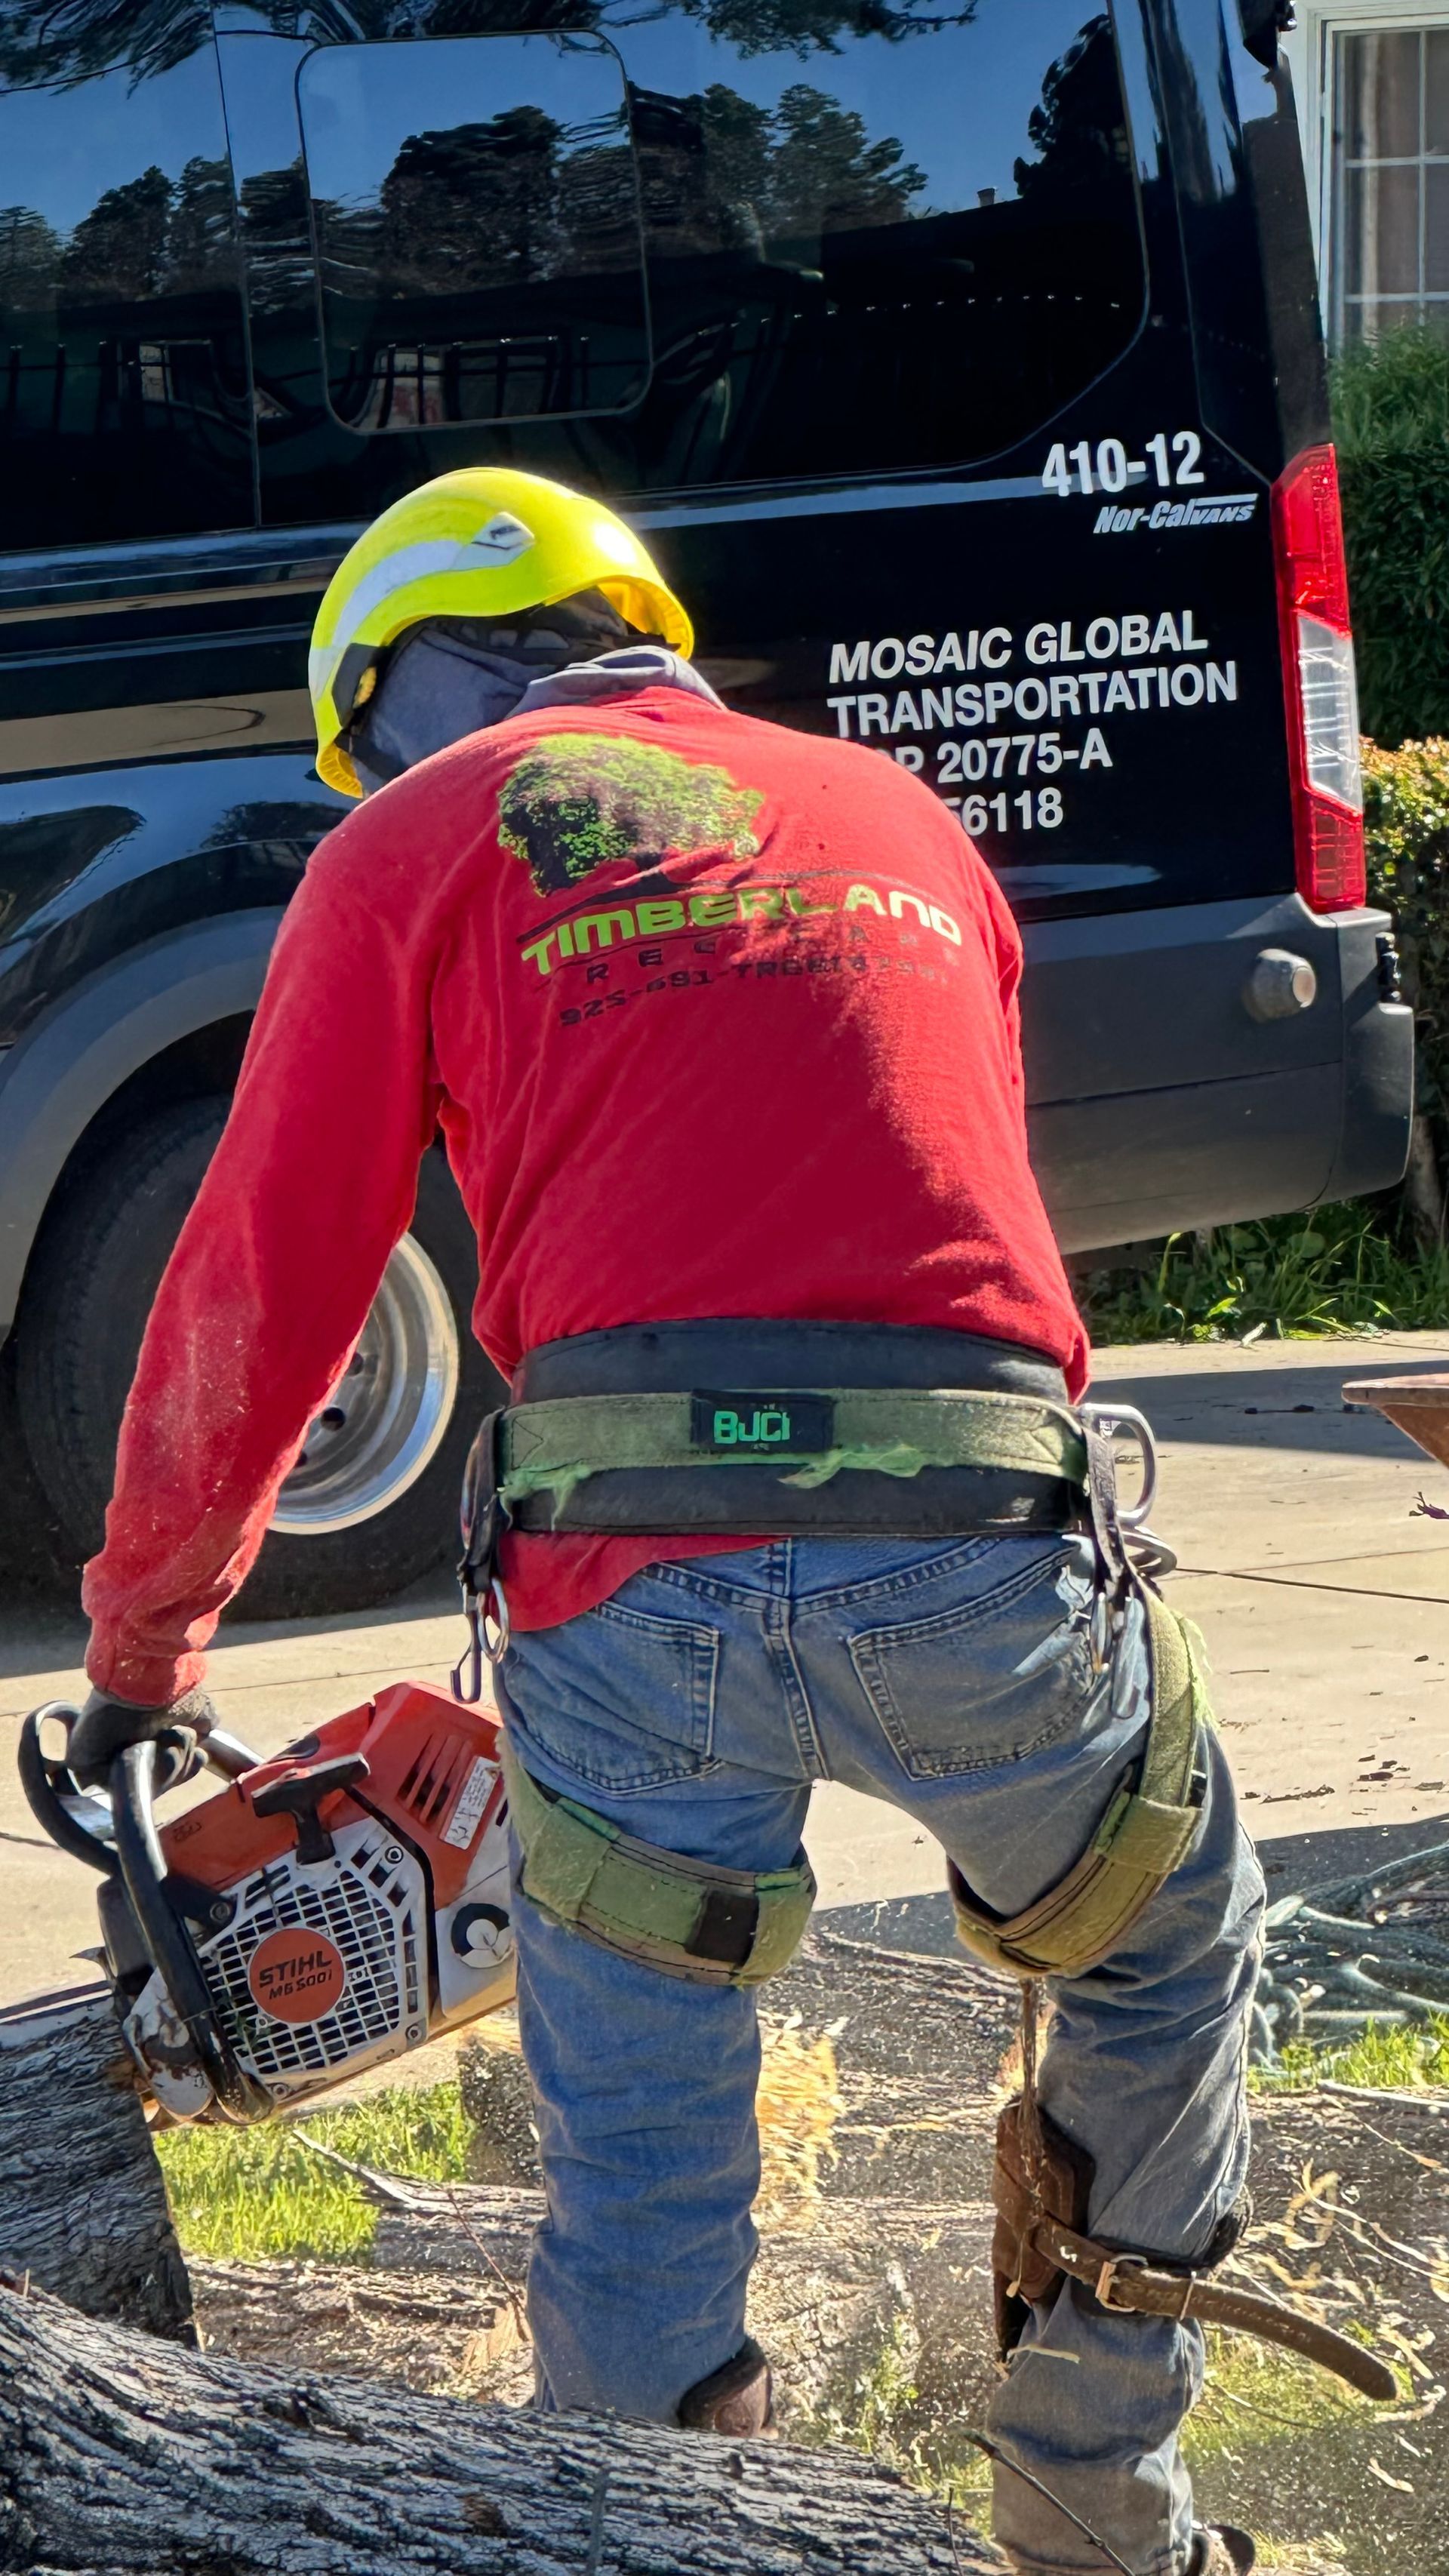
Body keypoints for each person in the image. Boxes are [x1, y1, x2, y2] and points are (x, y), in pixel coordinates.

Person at [75, 466, 1263, 2576]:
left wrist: (146, 1651)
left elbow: (267, 1274)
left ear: (419, 672)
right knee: (1163, 1953)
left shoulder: (405, 847)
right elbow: (951, 1194)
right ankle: (1098, 2518)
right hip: (982, 1547)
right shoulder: (901, 823)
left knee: (637, 2169)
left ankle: (667, 2533)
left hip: (627, 1604)